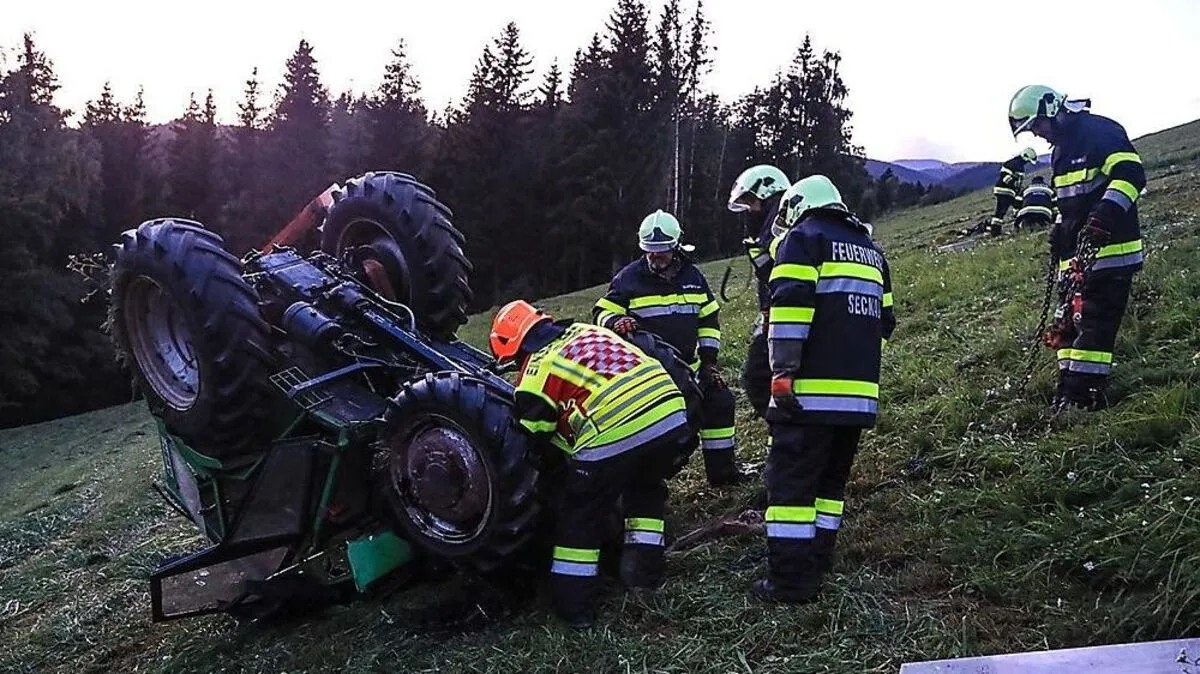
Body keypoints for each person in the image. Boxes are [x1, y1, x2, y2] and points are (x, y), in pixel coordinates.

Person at [490, 300, 695, 628]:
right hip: (670, 412)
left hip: (617, 430)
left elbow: (535, 441)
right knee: (645, 491)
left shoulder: (534, 373)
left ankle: (575, 608)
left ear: (513, 350)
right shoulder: (585, 331)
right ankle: (644, 575)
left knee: (580, 517)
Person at [753, 174, 895, 603]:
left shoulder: (802, 239)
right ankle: (819, 558)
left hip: (807, 394)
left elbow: (790, 309)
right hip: (857, 396)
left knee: (791, 489)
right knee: (831, 485)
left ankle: (790, 582)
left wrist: (781, 372)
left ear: (796, 207)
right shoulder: (872, 250)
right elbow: (885, 323)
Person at [1008, 84, 1146, 411]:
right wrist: (1059, 229)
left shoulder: (1100, 131)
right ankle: (1067, 388)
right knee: (1068, 324)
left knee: (1094, 325)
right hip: (1075, 259)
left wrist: (1105, 215)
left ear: (1054, 110)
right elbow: (1067, 202)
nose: (1039, 135)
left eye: (1038, 126)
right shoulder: (1060, 151)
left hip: (1111, 253)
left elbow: (1131, 175)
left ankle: (1083, 398)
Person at [592, 210, 743, 486]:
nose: (655, 257)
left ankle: (723, 474)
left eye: (661, 251)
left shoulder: (694, 278)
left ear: (675, 248)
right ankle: (649, 482)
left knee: (721, 402)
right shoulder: (628, 278)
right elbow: (602, 311)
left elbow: (708, 319)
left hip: (691, 367)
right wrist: (615, 320)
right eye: (649, 251)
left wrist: (709, 362)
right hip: (650, 374)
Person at [726, 165, 792, 419]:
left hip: (785, 314)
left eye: (751, 202)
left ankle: (781, 427)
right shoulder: (770, 225)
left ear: (767, 194)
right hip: (775, 312)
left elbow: (782, 273)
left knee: (757, 376)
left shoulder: (780, 226)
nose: (750, 211)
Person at [989, 147, 1038, 236]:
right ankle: (995, 232)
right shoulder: (1011, 164)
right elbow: (1005, 177)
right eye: (1028, 161)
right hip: (1004, 191)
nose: (1027, 163)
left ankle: (1017, 228)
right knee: (1001, 211)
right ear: (1025, 156)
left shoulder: (1019, 166)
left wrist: (1018, 188)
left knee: (1013, 209)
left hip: (1010, 192)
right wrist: (1014, 185)